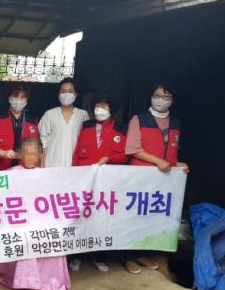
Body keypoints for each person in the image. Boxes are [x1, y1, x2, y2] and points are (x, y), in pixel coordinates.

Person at [0, 138, 70, 290]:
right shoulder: (11, 174)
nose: (31, 157)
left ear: (39, 156)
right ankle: (36, 288)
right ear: (20, 155)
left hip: (42, 221)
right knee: (29, 239)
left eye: (34, 154)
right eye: (27, 154)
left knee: (54, 237)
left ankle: (52, 282)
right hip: (19, 223)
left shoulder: (46, 175)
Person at [123, 82, 190, 274]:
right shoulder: (139, 119)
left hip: (163, 180)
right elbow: (133, 149)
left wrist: (177, 163)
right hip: (141, 176)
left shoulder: (175, 122)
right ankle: (129, 257)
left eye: (166, 97)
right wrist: (158, 161)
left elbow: (171, 151)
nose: (161, 100)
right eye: (157, 95)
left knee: (152, 217)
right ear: (151, 97)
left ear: (172, 100)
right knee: (135, 216)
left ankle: (142, 254)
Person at [70, 94, 129, 272]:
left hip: (108, 183)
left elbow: (126, 155)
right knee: (82, 216)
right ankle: (76, 256)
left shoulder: (121, 129)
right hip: (86, 181)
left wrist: (110, 158)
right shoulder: (86, 126)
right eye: (97, 106)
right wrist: (75, 176)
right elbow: (77, 153)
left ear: (111, 109)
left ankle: (100, 257)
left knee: (103, 219)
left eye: (104, 106)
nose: (100, 110)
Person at [38, 77, 89, 168]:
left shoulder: (83, 115)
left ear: (76, 94)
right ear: (58, 94)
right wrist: (43, 165)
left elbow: (87, 141)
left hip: (74, 165)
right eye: (63, 91)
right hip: (52, 163)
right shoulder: (49, 114)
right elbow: (42, 142)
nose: (66, 94)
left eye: (70, 91)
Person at [0, 85, 39, 170]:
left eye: (22, 97)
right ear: (9, 98)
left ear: (26, 100)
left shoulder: (33, 121)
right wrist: (1, 152)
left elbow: (37, 149)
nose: (19, 100)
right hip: (1, 169)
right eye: (15, 96)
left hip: (25, 170)